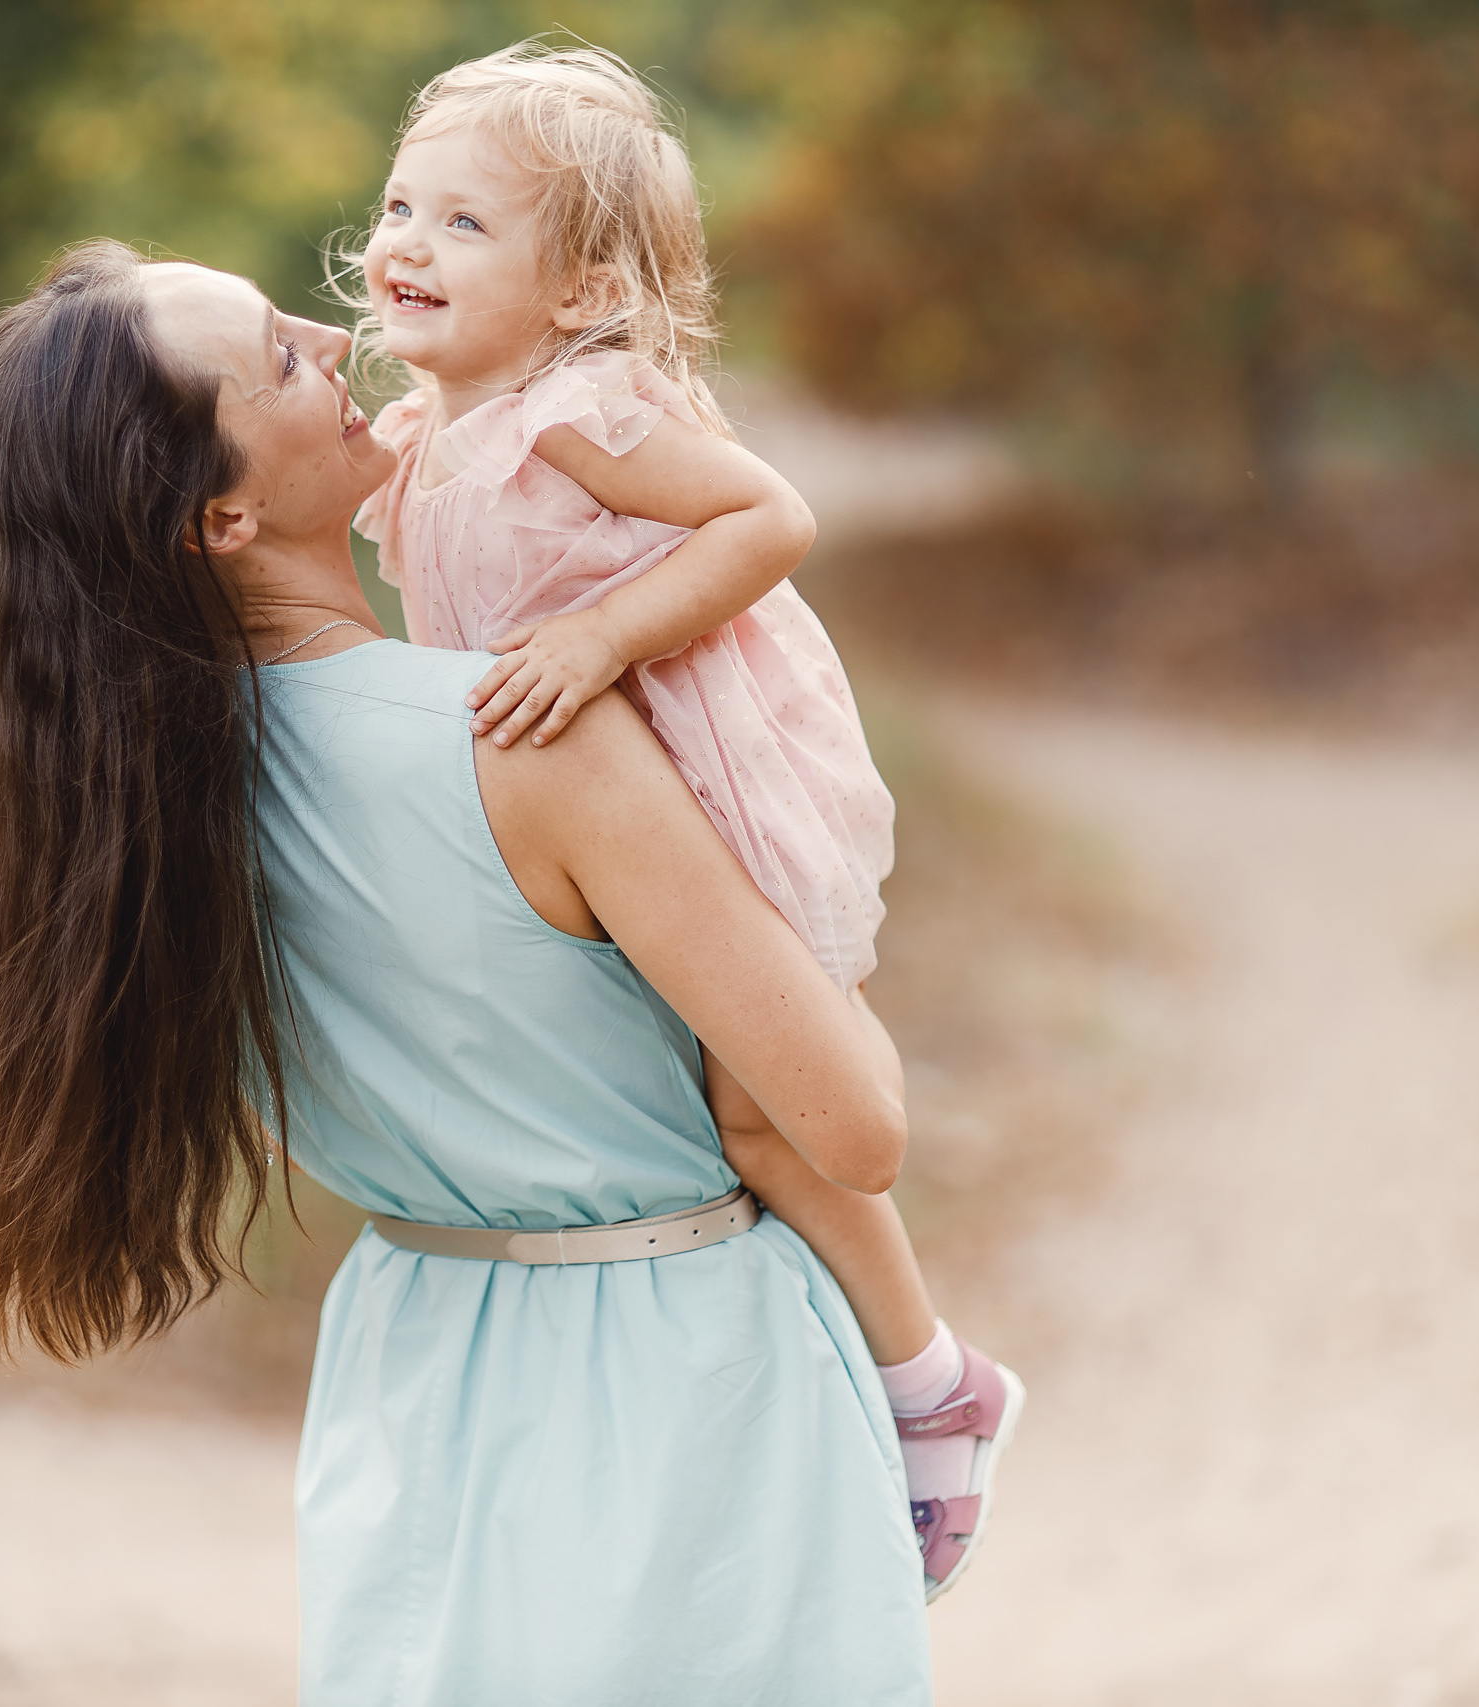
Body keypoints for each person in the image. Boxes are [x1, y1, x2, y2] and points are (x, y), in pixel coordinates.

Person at [0, 240, 934, 1702]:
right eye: (276, 356)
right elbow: (855, 1127)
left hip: (417, 1365)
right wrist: (806, 905)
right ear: (221, 516)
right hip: (693, 1374)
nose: (336, 337)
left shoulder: (133, 836)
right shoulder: (524, 736)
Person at [345, 40, 1020, 1598]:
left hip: (706, 772)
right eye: (400, 206)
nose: (405, 245)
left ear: (583, 291)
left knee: (762, 1113)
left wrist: (603, 638)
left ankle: (934, 1385)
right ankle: (786, 1407)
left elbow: (768, 516)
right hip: (582, 828)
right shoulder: (425, 421)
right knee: (675, 1112)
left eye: (465, 226)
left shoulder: (573, 412)